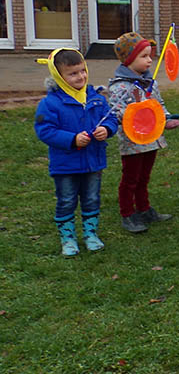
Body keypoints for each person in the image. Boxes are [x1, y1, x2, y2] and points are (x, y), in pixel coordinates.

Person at [34, 48, 117, 256]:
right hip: (65, 165)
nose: (80, 76)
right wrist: (72, 139)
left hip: (93, 161)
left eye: (82, 71)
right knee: (67, 200)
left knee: (91, 198)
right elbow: (45, 131)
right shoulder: (50, 103)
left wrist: (106, 130)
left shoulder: (96, 98)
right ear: (59, 77)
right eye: (73, 73)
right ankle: (68, 238)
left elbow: (111, 118)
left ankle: (90, 234)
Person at [108, 32, 179, 233]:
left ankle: (144, 208)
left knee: (144, 177)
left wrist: (165, 119)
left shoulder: (150, 82)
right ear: (129, 59)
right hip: (133, 141)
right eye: (144, 56)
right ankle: (127, 214)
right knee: (131, 178)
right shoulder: (120, 86)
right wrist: (136, 114)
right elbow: (116, 111)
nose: (150, 60)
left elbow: (158, 105)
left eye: (150, 55)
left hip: (152, 139)